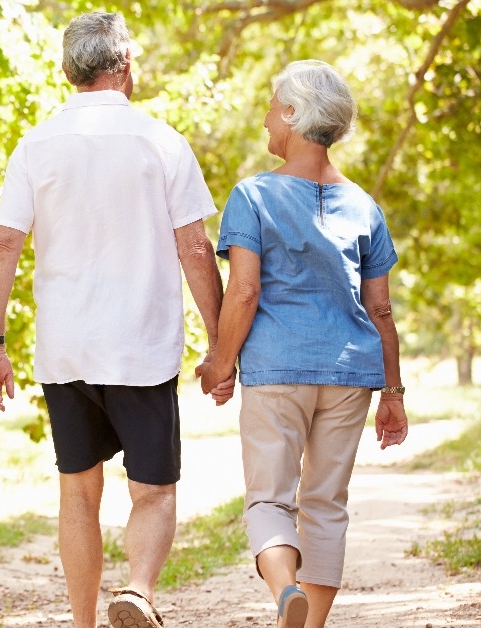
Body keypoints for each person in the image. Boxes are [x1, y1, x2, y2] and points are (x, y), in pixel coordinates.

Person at [0, 11, 226, 628]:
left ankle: (83, 623)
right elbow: (195, 248)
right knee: (154, 491)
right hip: (140, 348)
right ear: (125, 67)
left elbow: (4, 246)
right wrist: (223, 343)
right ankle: (138, 591)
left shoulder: (35, 145)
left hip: (66, 350)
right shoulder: (161, 141)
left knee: (78, 492)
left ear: (69, 71)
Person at [199, 60, 410, 628]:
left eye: (273, 105)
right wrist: (394, 391)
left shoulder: (253, 196)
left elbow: (243, 291)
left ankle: (285, 592)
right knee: (325, 506)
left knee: (269, 500)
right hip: (350, 376)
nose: (267, 118)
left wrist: (219, 364)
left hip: (276, 371)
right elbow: (381, 309)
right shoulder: (365, 206)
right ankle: (309, 624)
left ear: (292, 115)